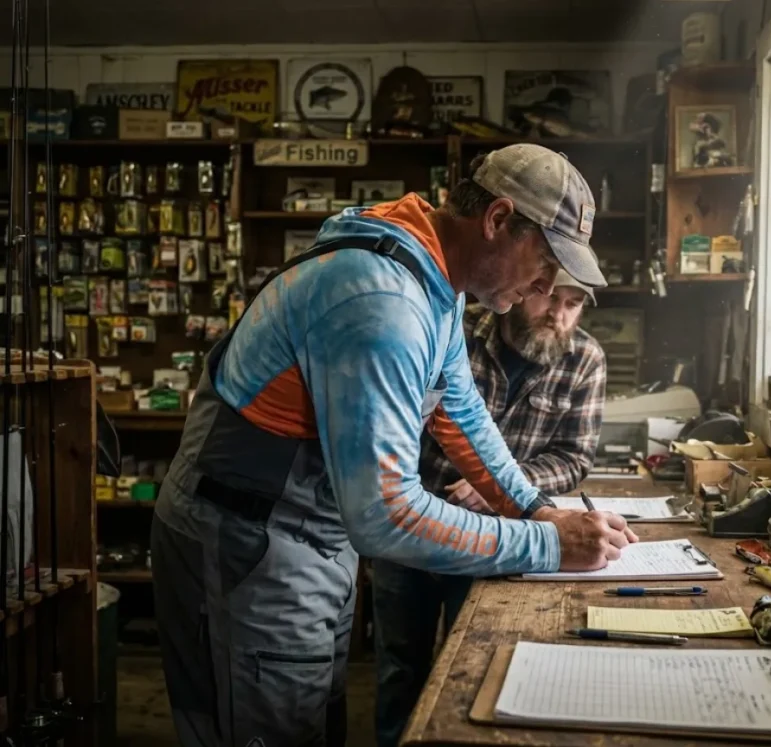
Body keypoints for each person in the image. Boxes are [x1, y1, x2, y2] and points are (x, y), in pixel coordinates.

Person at [149, 143, 638, 747]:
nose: (547, 282)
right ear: (497, 220)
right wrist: (546, 544)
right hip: (246, 542)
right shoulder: (383, 302)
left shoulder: (434, 279)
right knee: (262, 728)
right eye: (546, 260)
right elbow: (386, 515)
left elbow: (459, 414)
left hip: (308, 532)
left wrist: (538, 509)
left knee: (308, 722)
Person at [374, 269, 606, 747]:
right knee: (400, 667)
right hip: (412, 527)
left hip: (500, 541)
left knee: (473, 663)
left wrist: (499, 487)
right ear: (525, 286)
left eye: (573, 304)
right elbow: (395, 432)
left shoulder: (585, 359)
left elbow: (574, 457)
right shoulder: (452, 332)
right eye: (548, 296)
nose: (558, 315)